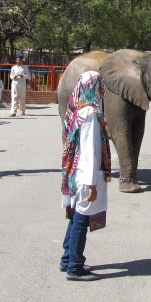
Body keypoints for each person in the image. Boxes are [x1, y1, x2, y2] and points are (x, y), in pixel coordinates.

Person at [60, 71, 112, 281]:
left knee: (75, 216)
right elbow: (89, 151)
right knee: (81, 219)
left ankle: (67, 259)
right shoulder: (90, 114)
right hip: (85, 174)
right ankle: (75, 267)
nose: (102, 90)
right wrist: (92, 184)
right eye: (100, 86)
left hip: (74, 172)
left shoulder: (76, 109)